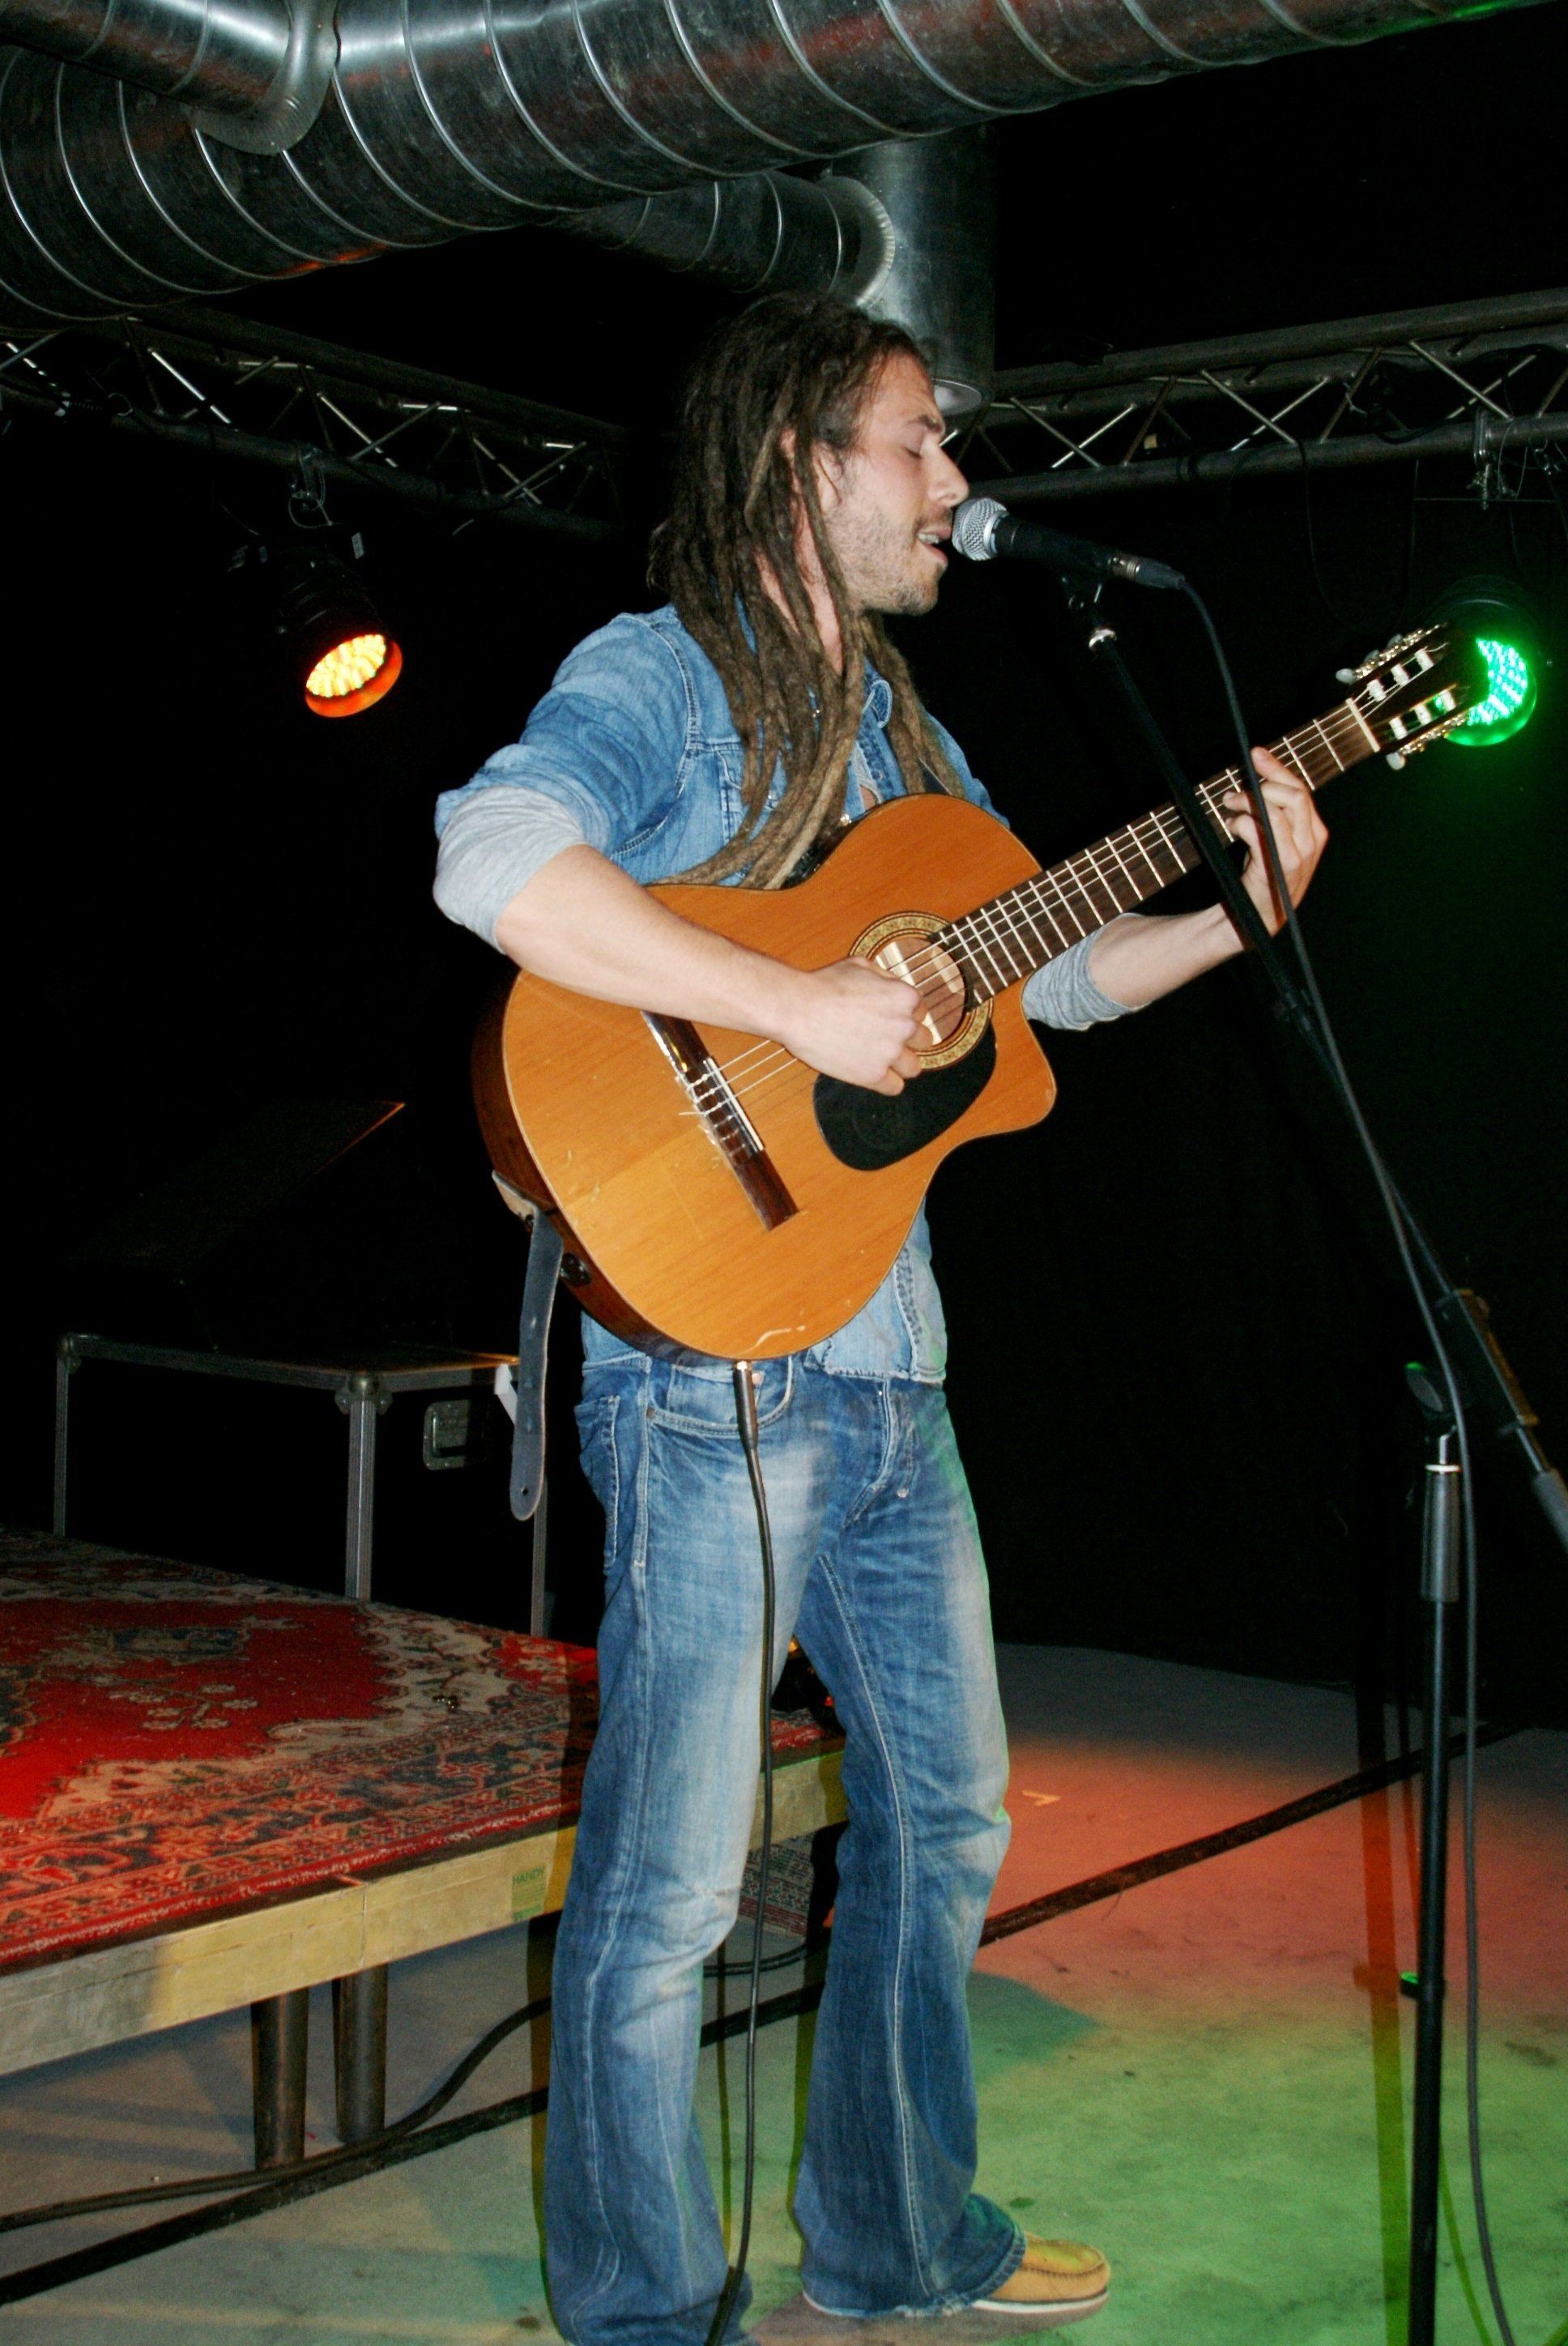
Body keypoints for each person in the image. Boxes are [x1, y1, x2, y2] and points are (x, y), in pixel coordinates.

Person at [433, 295, 1327, 2346]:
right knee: (670, 1887)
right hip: (706, 1377)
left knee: (946, 1818)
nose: (954, 482)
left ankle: (896, 2234)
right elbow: (490, 852)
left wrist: (1234, 905)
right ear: (792, 463)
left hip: (888, 1364)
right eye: (917, 441)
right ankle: (644, 2308)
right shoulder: (663, 677)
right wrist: (793, 1002)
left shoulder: (911, 739)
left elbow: (1049, 979)